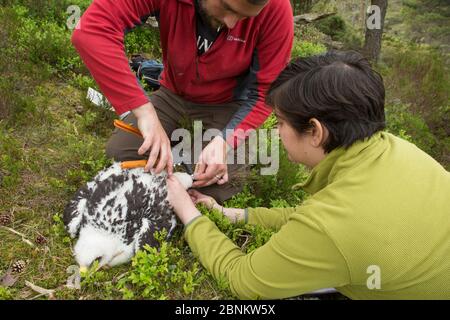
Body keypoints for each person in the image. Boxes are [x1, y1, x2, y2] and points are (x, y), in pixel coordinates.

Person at [167, 51, 450, 299]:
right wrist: (234, 214)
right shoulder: (398, 149)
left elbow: (242, 279)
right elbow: (320, 220)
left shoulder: (334, 225)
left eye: (280, 122)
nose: (276, 133)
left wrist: (187, 211)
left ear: (315, 131)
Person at [71, 0, 294, 203]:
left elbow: (265, 91)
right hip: (172, 95)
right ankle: (184, 156)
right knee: (121, 153)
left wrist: (225, 142)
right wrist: (144, 112)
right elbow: (92, 30)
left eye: (245, 17)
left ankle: (192, 156)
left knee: (216, 181)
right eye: (227, 8)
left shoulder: (277, 9)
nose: (232, 23)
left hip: (228, 105)